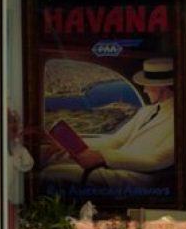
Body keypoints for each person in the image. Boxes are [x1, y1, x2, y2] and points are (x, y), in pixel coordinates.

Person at [45, 58, 175, 188]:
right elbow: (116, 140)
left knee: (49, 173)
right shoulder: (147, 111)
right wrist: (67, 144)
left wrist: (103, 157)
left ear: (162, 86)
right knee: (51, 161)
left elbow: (157, 160)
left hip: (136, 176)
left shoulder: (179, 121)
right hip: (116, 165)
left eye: (148, 84)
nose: (145, 90)